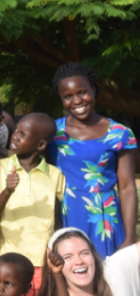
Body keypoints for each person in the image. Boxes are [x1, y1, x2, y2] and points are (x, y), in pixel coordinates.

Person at [48, 62, 137, 257]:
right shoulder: (52, 133)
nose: (77, 100)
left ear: (94, 90)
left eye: (82, 92)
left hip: (105, 219)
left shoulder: (119, 133)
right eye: (68, 96)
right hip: (66, 215)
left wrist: (130, 237)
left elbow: (127, 186)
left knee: (108, 272)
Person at [0, 113, 63, 296]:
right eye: (16, 130)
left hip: (41, 259)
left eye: (23, 134)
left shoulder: (55, 175)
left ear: (41, 145)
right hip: (6, 256)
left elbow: (57, 219)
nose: (15, 136)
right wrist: (8, 191)